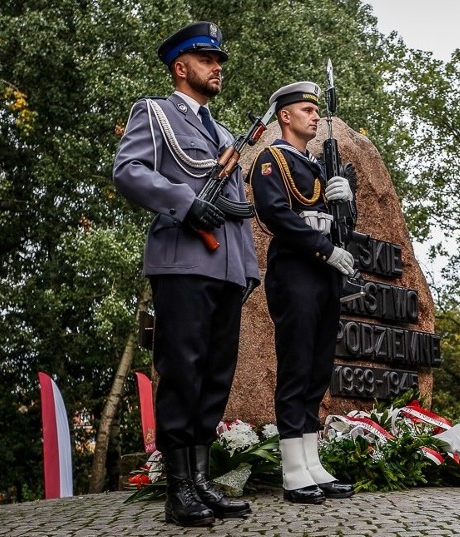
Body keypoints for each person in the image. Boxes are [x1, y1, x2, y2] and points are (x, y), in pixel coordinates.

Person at [113, 22, 258, 526]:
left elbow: (238, 206)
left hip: (226, 269)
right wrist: (185, 203)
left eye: (219, 59)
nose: (218, 67)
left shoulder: (222, 133)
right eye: (207, 59)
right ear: (181, 67)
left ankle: (200, 481)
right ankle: (178, 491)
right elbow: (128, 170)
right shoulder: (154, 112)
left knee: (216, 376)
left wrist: (249, 270)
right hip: (182, 261)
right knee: (183, 372)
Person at [249, 81, 355, 504]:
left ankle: (311, 461)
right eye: (305, 109)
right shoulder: (271, 160)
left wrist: (346, 198)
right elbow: (275, 213)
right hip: (296, 270)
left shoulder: (317, 164)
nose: (314, 115)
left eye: (316, 109)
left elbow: (339, 219)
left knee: (317, 369)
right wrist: (324, 249)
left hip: (324, 273)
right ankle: (293, 467)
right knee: (296, 367)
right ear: (285, 117)